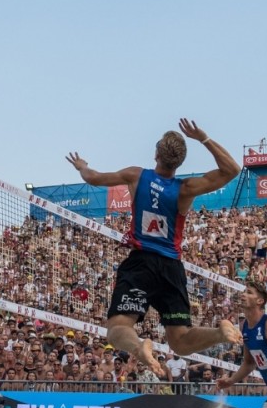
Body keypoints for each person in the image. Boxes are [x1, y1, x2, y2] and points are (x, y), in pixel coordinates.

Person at [66, 119, 242, 375]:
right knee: (180, 341)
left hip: (142, 263)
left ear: (156, 154)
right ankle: (218, 333)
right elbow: (231, 170)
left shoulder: (137, 175)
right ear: (179, 162)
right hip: (171, 266)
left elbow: (92, 178)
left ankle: (139, 348)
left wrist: (82, 166)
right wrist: (203, 138)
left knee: (117, 329)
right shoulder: (186, 189)